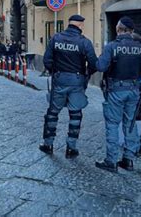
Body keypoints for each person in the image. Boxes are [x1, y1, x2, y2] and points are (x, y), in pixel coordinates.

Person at [95, 17, 141, 173]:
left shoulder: (112, 46)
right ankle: (128, 159)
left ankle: (111, 160)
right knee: (130, 123)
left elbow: (100, 66)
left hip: (115, 90)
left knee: (113, 124)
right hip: (133, 90)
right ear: (132, 31)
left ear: (118, 29)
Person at [39, 14, 97, 158]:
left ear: (69, 24)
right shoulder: (84, 42)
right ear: (81, 25)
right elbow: (94, 64)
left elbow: (47, 60)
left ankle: (48, 144)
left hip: (59, 79)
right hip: (77, 81)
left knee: (53, 112)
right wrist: (86, 75)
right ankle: (71, 148)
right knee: (75, 114)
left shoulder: (56, 38)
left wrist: (55, 72)